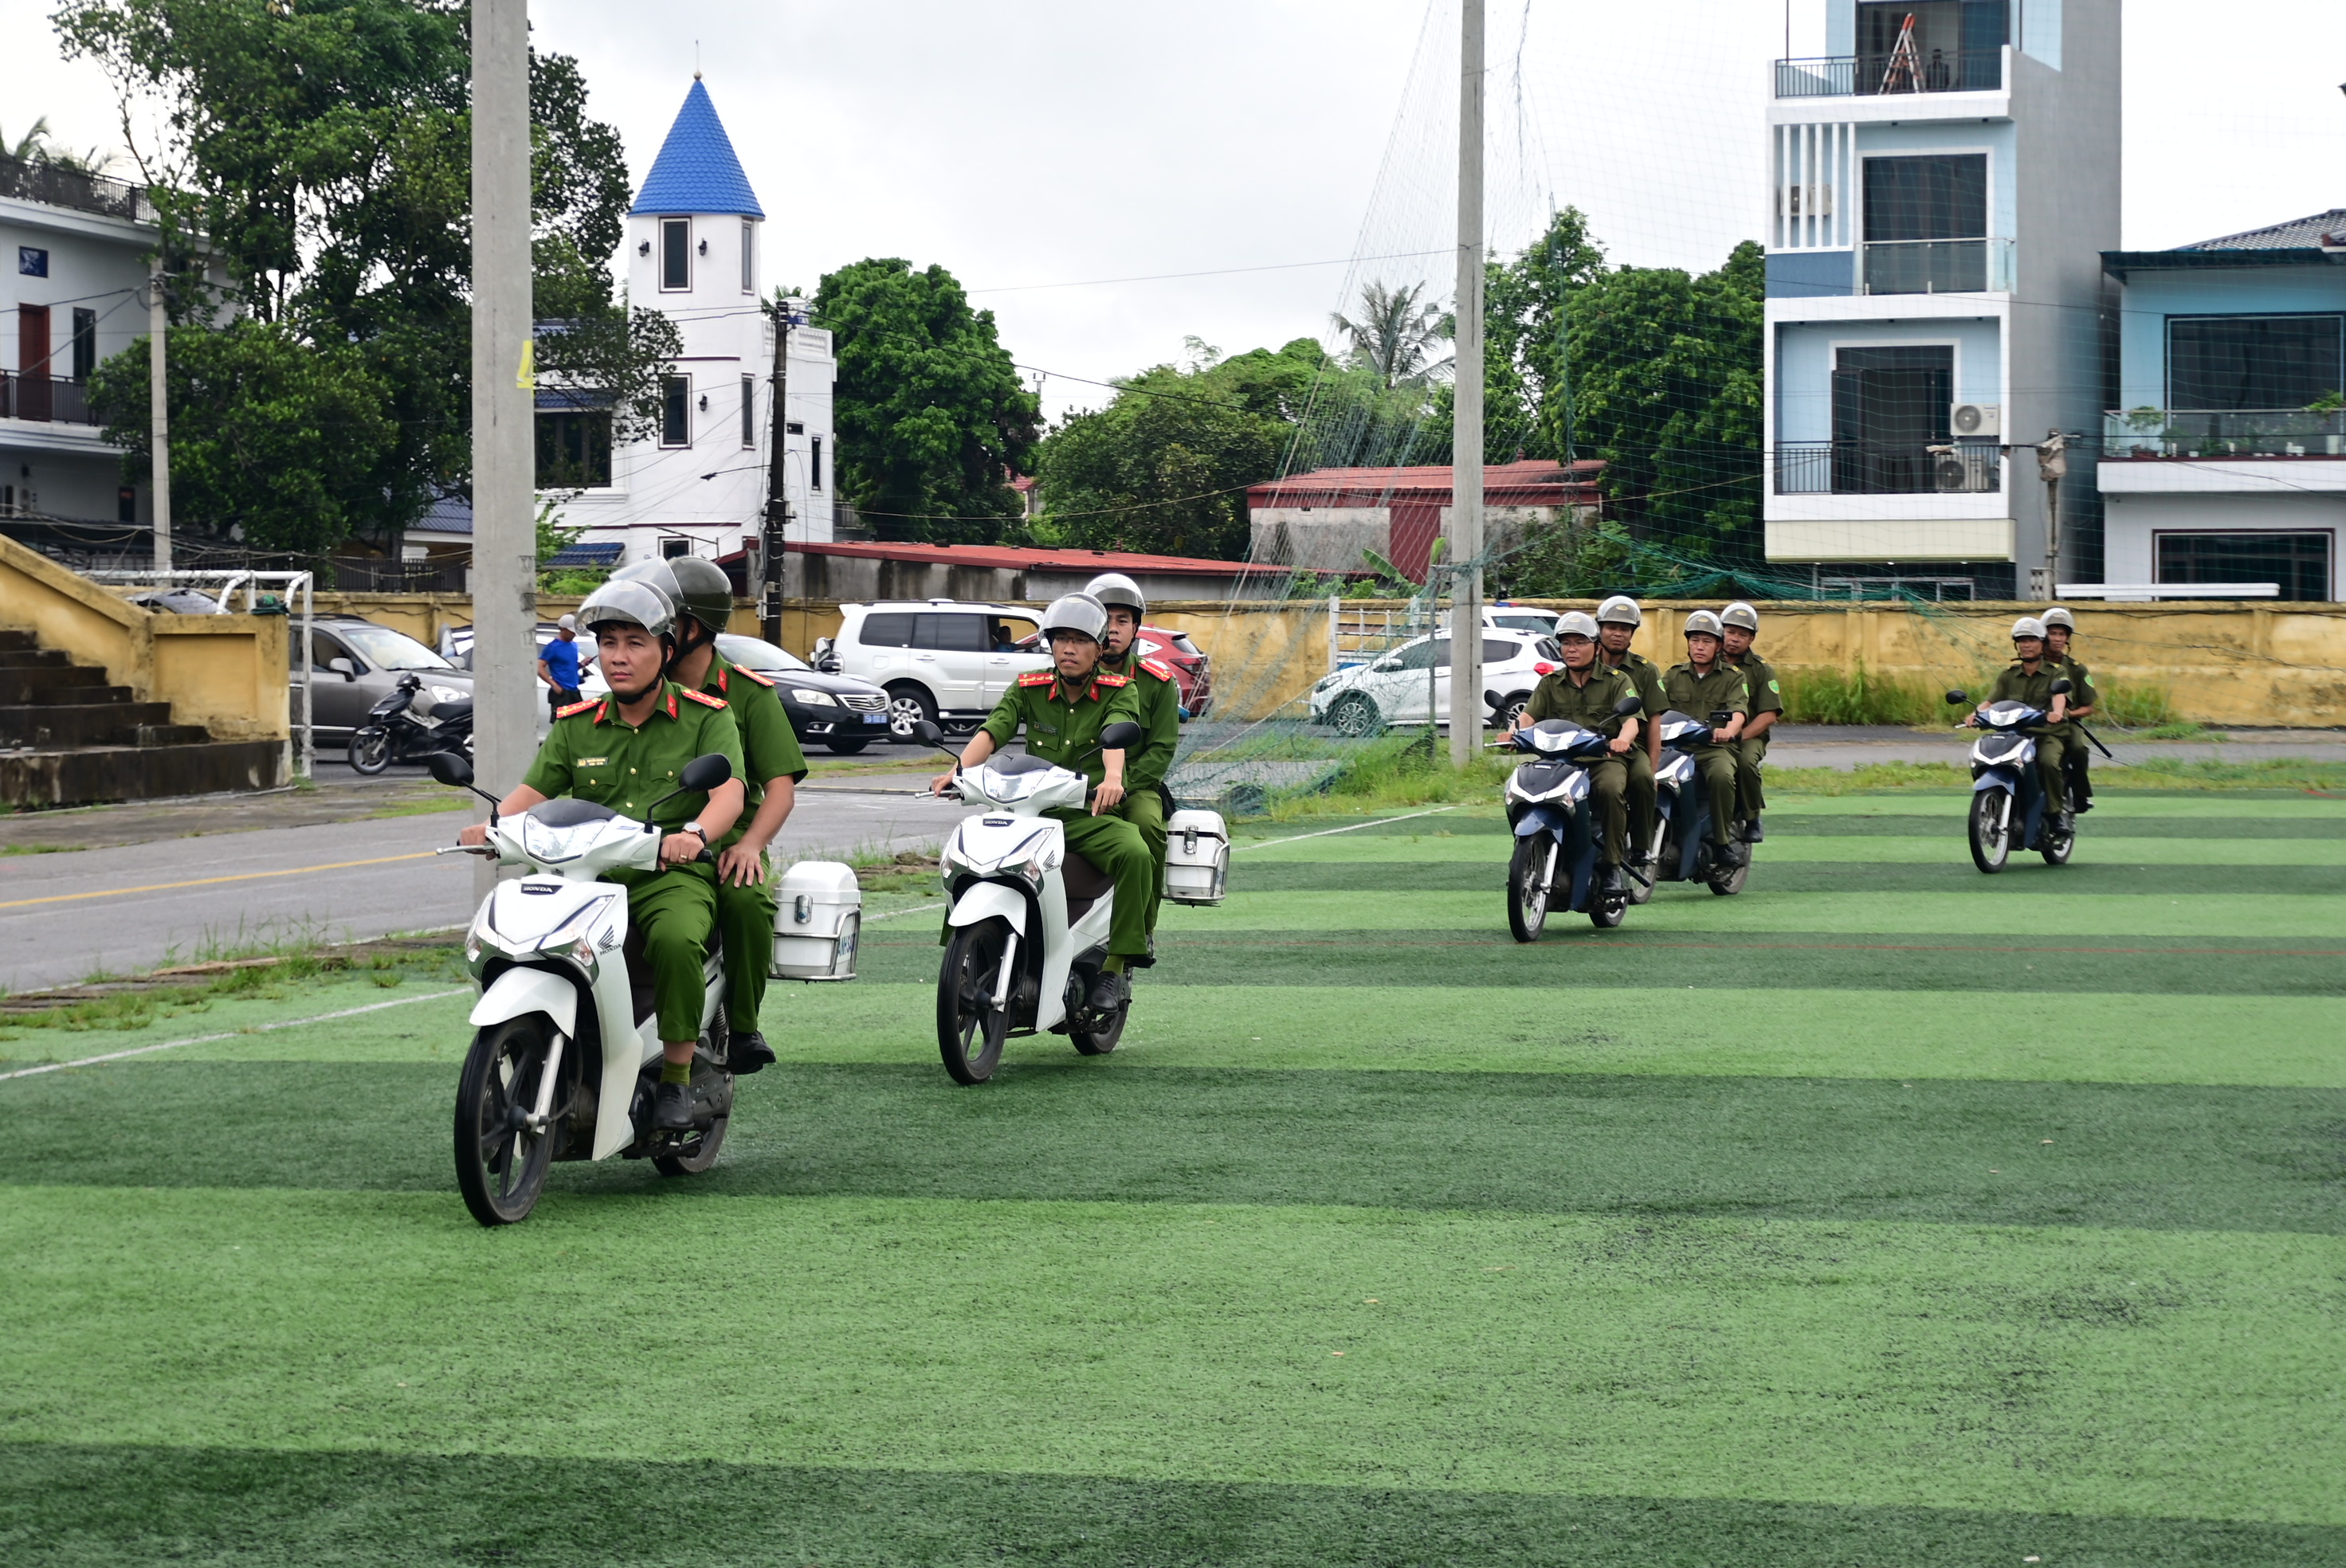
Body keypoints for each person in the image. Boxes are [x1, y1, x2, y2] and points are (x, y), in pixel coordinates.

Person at [460, 578, 747, 1133]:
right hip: (586, 879)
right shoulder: (575, 727)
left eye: (634, 642)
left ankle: (676, 1079)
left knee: (675, 938)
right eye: (609, 643)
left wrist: (695, 834)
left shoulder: (707, 716)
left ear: (665, 650)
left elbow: (727, 793)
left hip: (667, 872)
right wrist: (492, 828)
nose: (619, 656)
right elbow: (530, 796)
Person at [612, 556, 806, 1076]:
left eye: (660, 622)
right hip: (647, 833)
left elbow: (781, 789)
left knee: (746, 901)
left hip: (729, 835)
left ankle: (743, 1026)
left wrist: (750, 846)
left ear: (693, 627)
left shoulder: (749, 695)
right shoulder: (639, 688)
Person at [932, 594, 1155, 1009]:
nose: (1068, 649)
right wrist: (957, 771)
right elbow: (994, 729)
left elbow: (1118, 730)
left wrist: (1111, 778)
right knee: (969, 855)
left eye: (1080, 641)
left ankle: (1115, 966)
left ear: (1099, 647)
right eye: (1060, 640)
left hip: (1082, 813)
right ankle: (962, 953)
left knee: (1136, 852)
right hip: (1027, 815)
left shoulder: (1119, 690)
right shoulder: (1028, 687)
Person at [1508, 610, 1640, 893]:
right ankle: (1529, 856)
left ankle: (1612, 865)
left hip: (1602, 759)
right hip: (1559, 761)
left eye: (1579, 643)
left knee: (1609, 790)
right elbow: (1529, 717)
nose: (1572, 649)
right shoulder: (1550, 683)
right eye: (1566, 643)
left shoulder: (1617, 680)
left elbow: (1631, 720)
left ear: (1596, 647)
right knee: (1524, 788)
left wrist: (1622, 740)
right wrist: (1512, 732)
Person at [1085, 571, 1180, 949]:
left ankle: (1142, 927)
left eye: (1122, 620)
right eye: (1105, 619)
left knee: (1146, 827)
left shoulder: (1157, 681)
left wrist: (1124, 785)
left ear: (1137, 627)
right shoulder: (1072, 677)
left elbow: (1161, 750)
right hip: (1080, 785)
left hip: (1136, 785)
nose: (1113, 629)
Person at [1661, 609, 1750, 868]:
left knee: (1722, 776)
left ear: (1718, 646)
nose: (1700, 647)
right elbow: (1654, 709)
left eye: (1707, 641)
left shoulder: (1734, 677)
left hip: (1714, 747)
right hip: (1677, 747)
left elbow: (1739, 712)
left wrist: (1729, 730)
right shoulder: (1673, 675)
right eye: (1695, 640)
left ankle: (1722, 843)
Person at [1979, 616, 2073, 833]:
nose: (2026, 645)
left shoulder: (2056, 672)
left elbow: (2060, 696)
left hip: (2046, 734)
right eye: (2022, 640)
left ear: (2042, 643)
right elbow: (1990, 701)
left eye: (2031, 640)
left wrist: (2057, 712)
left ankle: (2056, 814)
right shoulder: (2008, 675)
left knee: (2049, 762)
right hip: (2015, 734)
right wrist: (1975, 715)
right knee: (1990, 757)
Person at [1595, 594, 1667, 868]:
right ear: (1599, 629)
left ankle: (1640, 846)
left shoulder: (1646, 671)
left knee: (1642, 781)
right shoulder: (1583, 665)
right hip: (1585, 745)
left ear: (1632, 634)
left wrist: (1654, 768)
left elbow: (1654, 724)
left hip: (1631, 746)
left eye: (1624, 629)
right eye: (1611, 627)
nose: (1617, 634)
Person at [1718, 602, 1783, 843]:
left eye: (1742, 634)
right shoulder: (1704, 660)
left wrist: (1738, 736)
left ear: (1752, 638)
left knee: (1745, 762)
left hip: (1749, 734)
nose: (1734, 639)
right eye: (1730, 632)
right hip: (1706, 732)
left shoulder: (1761, 670)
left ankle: (1752, 817)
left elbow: (1769, 715)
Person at [2041, 605, 2097, 815]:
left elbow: (2089, 708)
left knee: (2078, 748)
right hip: (2035, 720)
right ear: (2044, 636)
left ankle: (2080, 793)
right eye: (2052, 633)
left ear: (2067, 639)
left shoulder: (2077, 668)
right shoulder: (2034, 664)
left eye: (2062, 634)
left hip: (2068, 722)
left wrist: (2067, 714)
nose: (2057, 638)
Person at [536, 613, 593, 716]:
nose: (574, 634)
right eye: (571, 632)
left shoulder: (574, 645)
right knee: (561, 726)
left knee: (577, 724)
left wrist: (582, 664)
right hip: (562, 693)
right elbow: (539, 666)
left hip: (574, 691)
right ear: (563, 629)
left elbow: (570, 667)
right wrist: (553, 684)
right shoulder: (553, 647)